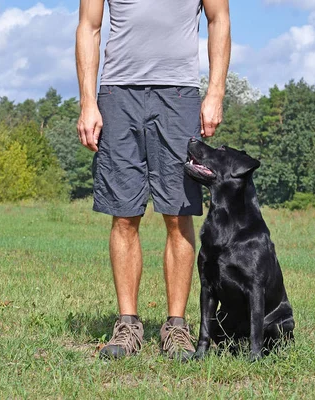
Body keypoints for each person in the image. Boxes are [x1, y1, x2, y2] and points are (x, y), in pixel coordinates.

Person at [75, 0, 231, 360]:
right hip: (117, 93)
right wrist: (88, 102)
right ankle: (128, 324)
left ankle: (176, 328)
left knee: (179, 213)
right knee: (124, 213)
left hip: (178, 95)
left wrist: (216, 92)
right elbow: (88, 27)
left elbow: (219, 19)